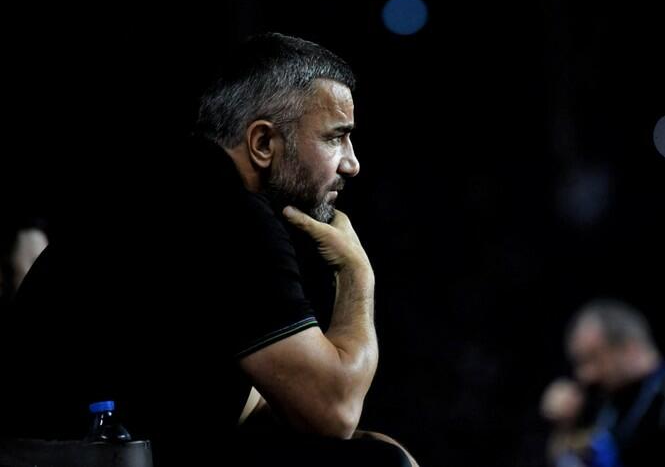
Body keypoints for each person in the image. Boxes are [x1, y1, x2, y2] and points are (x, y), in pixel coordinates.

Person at [0, 33, 416, 466]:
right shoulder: (228, 215)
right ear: (262, 143)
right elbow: (334, 412)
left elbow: (244, 403)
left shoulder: (179, 185)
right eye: (335, 138)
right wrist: (356, 272)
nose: (352, 163)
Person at [540, 300, 665, 467]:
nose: (585, 374)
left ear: (630, 347)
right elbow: (566, 458)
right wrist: (563, 425)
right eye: (581, 362)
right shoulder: (600, 399)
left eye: (594, 358)